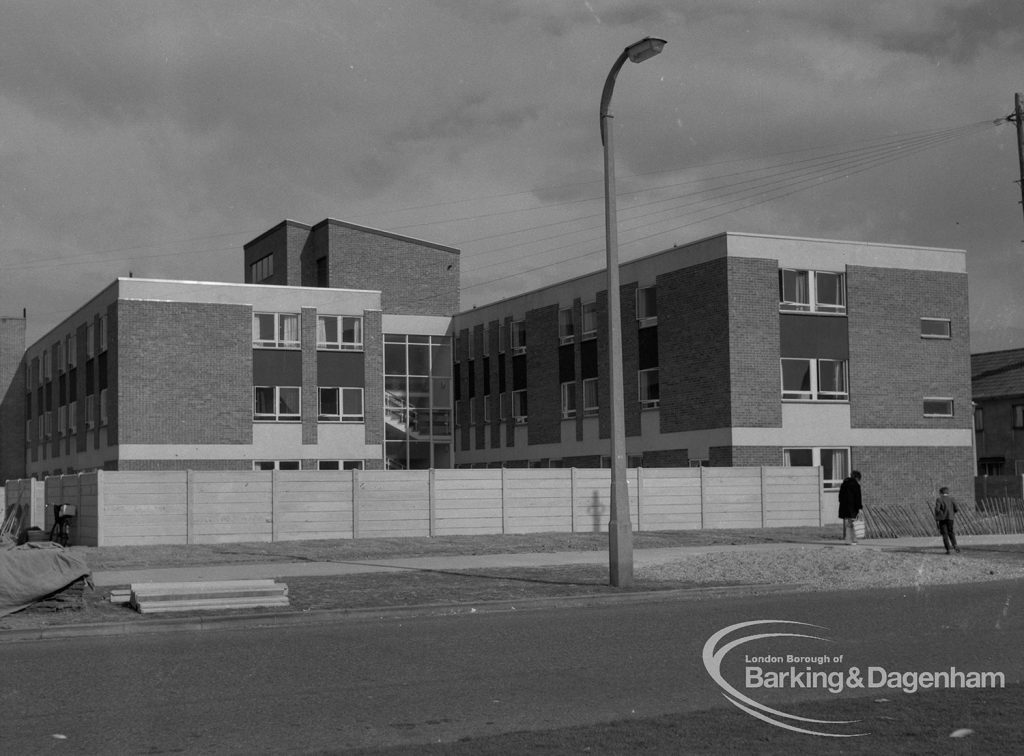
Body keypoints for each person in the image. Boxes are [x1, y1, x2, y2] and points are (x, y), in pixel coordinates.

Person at [838, 471, 863, 544]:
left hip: (844, 508)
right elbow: (858, 498)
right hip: (853, 508)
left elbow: (840, 496)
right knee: (853, 524)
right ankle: (852, 540)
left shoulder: (844, 484)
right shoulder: (856, 485)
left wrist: (842, 504)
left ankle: (849, 540)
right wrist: (859, 508)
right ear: (857, 478)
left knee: (849, 524)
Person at [934, 486, 960, 554]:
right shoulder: (952, 499)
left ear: (941, 493)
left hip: (942, 519)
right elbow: (957, 509)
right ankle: (955, 545)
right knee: (951, 532)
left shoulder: (939, 499)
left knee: (945, 534)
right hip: (950, 518)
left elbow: (937, 509)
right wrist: (952, 513)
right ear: (947, 492)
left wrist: (938, 514)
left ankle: (948, 549)